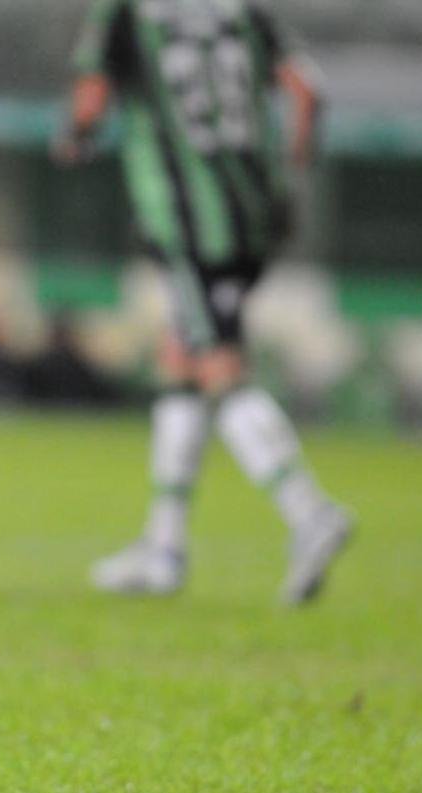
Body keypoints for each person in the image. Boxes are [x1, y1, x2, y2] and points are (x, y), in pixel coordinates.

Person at [55, 0, 350, 603]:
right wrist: (289, 175)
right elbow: (307, 93)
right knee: (181, 361)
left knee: (218, 363)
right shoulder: (245, 11)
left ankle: (308, 511)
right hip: (253, 213)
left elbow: (91, 98)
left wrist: (77, 136)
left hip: (186, 218)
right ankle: (164, 548)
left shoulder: (127, 12)